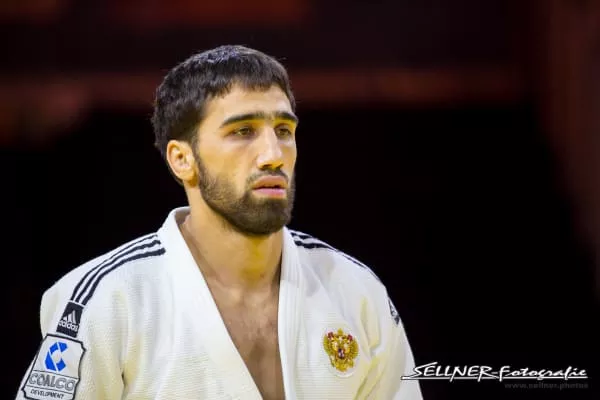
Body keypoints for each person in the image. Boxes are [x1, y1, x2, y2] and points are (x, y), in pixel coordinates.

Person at [16, 45, 422, 400]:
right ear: (182, 159)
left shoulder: (355, 291)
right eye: (243, 131)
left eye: (283, 130)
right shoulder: (107, 299)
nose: (273, 155)